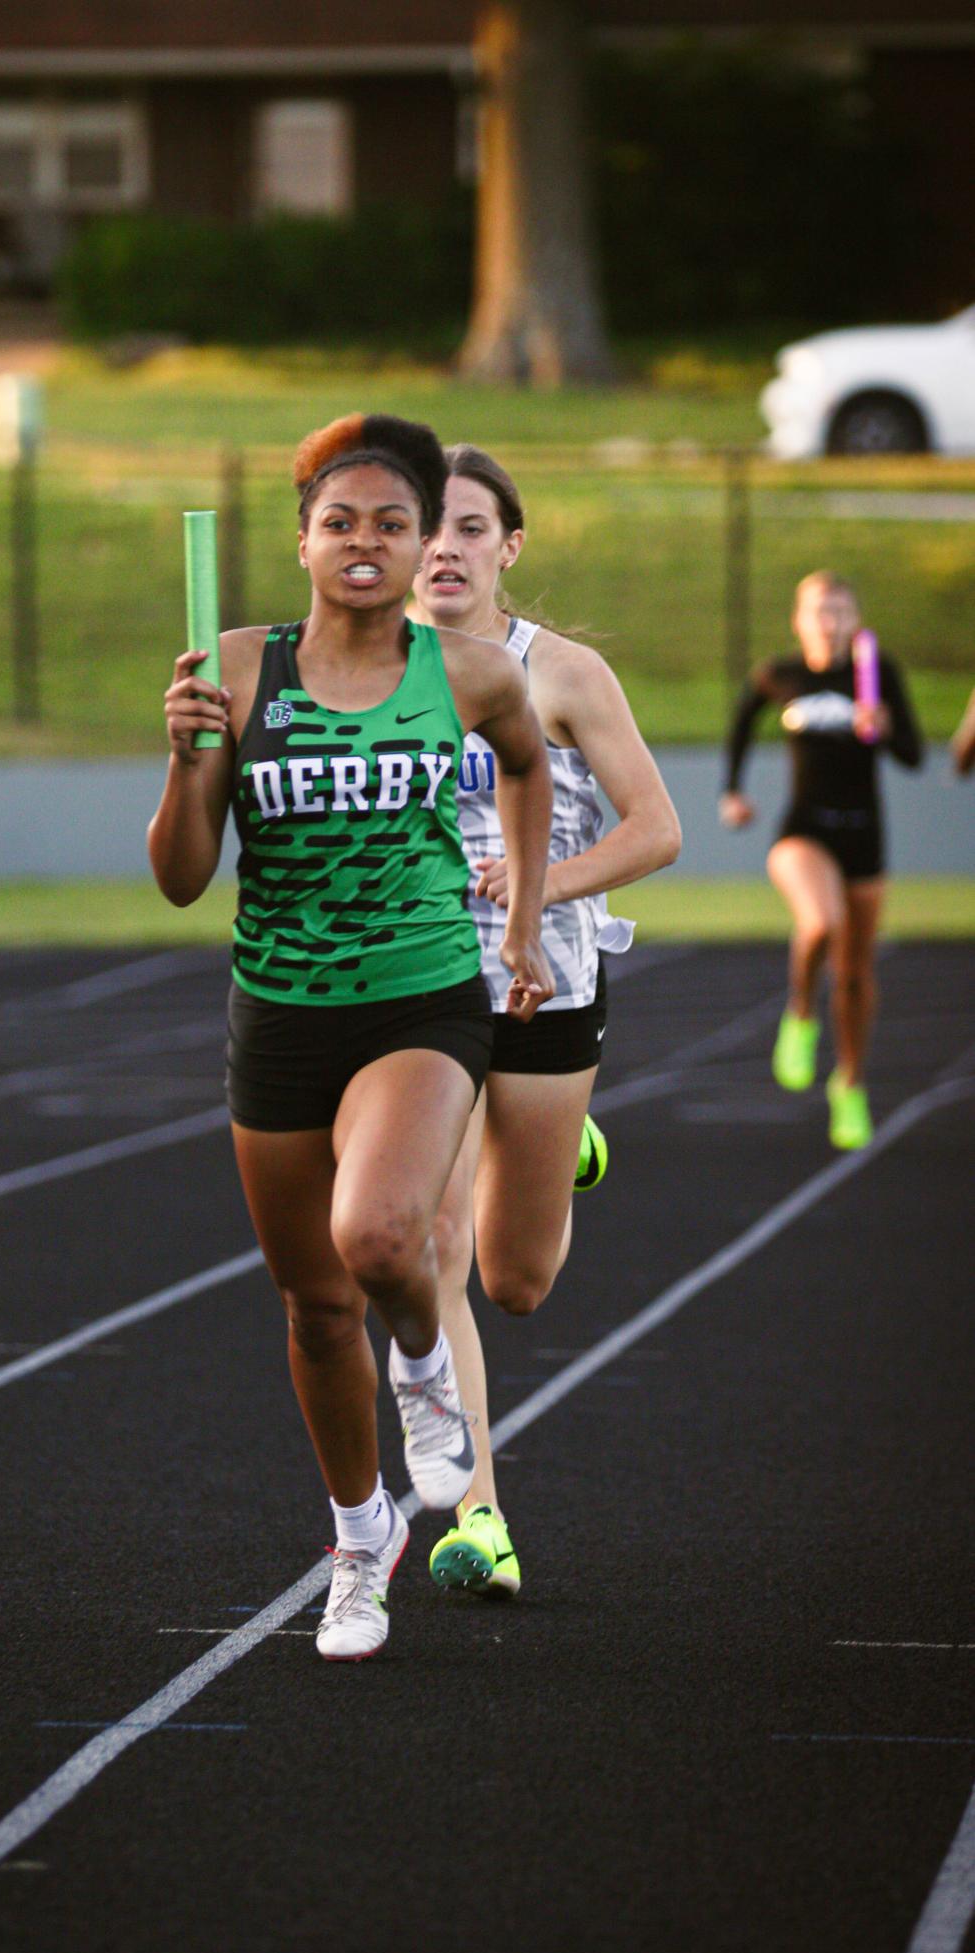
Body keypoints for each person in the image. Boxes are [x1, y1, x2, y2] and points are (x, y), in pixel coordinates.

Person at [148, 414, 556, 1661]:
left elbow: (530, 770)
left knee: (379, 1235)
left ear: (424, 537)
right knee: (316, 1308)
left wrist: (527, 923)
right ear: (303, 539)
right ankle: (356, 1539)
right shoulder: (235, 667)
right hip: (277, 1012)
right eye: (341, 523)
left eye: (392, 522)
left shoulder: (467, 672)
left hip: (420, 998)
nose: (366, 543)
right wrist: (183, 760)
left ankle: (427, 1372)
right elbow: (178, 878)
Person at [410, 445, 681, 1596]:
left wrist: (535, 891)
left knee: (514, 1279)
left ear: (506, 547)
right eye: (423, 527)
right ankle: (479, 1512)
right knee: (424, 1253)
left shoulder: (558, 672)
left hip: (544, 988)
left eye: (468, 529)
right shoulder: (356, 677)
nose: (442, 549)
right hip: (414, 995)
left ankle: (562, 1142)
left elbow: (654, 830)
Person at [719, 570, 923, 1149]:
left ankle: (850, 1083)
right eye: (819, 611)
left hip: (865, 838)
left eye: (840, 611)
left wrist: (880, 728)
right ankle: (802, 1012)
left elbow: (911, 754)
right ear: (799, 620)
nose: (830, 622)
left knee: (856, 974)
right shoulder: (781, 674)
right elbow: (741, 720)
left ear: (855, 621)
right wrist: (732, 791)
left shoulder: (878, 675)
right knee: (820, 923)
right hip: (802, 830)